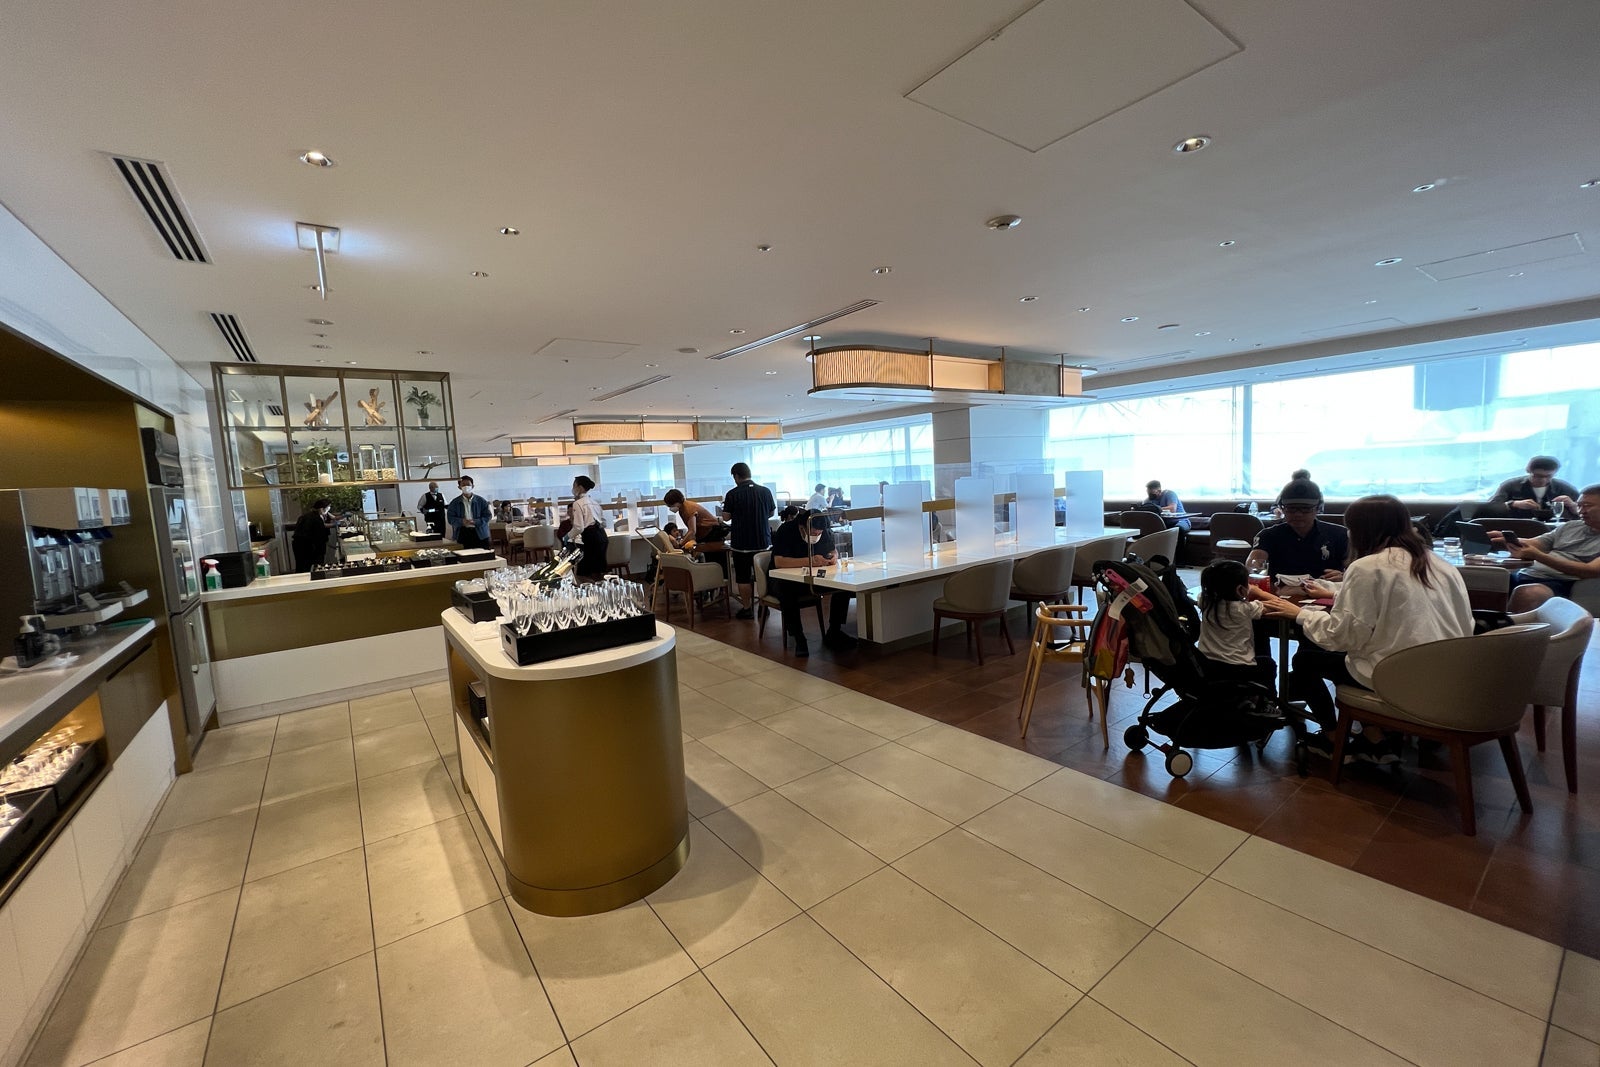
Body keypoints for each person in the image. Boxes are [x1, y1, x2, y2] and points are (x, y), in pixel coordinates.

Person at [1259, 494, 1472, 764]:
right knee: (1347, 657)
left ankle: (1333, 737)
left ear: (1361, 531)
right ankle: (1374, 737)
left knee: (1305, 661)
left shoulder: (1367, 567)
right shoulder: (1439, 564)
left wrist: (1299, 614)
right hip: (1449, 674)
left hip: (1399, 675)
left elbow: (1341, 636)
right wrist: (1336, 592)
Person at [1493, 483, 1600, 610]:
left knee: (1530, 594)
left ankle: (1506, 623)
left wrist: (1538, 556)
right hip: (1527, 573)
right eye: (1579, 505)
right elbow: (1537, 543)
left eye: (1587, 506)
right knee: (1483, 578)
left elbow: (1590, 570)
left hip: (1561, 582)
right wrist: (1507, 540)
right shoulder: (1570, 526)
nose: (1581, 511)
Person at [770, 510, 856, 655]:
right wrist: (810, 561)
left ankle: (834, 630)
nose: (816, 535)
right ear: (802, 527)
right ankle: (798, 637)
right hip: (782, 580)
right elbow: (779, 562)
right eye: (814, 533)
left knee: (842, 586)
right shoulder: (786, 530)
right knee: (787, 590)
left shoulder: (823, 531)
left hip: (813, 578)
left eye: (819, 533)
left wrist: (833, 557)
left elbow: (832, 550)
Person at [1247, 476, 1348, 581]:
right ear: (1281, 508)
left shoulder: (1339, 535)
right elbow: (1253, 568)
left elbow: (1355, 568)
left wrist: (1345, 575)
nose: (1298, 514)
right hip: (1279, 589)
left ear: (1318, 508)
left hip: (1327, 589)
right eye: (1291, 508)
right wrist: (1256, 572)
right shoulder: (1267, 536)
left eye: (1305, 508)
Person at [1195, 560, 1274, 687]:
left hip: (1207, 665)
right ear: (1240, 589)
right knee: (1268, 664)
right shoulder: (1245, 609)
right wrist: (1259, 592)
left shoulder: (1204, 601)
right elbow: (1280, 604)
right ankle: (1268, 697)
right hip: (1239, 669)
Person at [722, 462, 776, 619]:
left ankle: (747, 609)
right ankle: (764, 606)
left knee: (743, 577)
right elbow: (771, 512)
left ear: (736, 476)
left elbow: (726, 517)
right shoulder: (765, 491)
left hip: (741, 543)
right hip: (763, 542)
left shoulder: (732, 494)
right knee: (763, 576)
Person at [1483, 456, 1580, 521]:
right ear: (1528, 471)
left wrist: (1572, 505)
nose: (1543, 480)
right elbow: (1490, 508)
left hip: (1555, 530)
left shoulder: (1564, 488)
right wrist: (1513, 504)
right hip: (1519, 528)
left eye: (1548, 476)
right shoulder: (1511, 485)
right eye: (1538, 476)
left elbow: (1585, 513)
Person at [568, 475, 609, 579]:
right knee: (598, 571)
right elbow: (604, 522)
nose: (573, 488)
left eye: (574, 486)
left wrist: (568, 536)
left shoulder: (577, 503)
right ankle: (600, 587)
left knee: (586, 573)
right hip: (602, 536)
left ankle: (590, 588)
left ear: (580, 487)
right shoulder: (594, 502)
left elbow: (579, 527)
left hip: (591, 538)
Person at [446, 476, 491, 549]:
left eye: (468, 484)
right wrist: (462, 521)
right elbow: (450, 519)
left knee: (483, 554)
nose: (466, 487)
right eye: (463, 485)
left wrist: (476, 521)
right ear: (459, 487)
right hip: (463, 533)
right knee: (464, 554)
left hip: (480, 533)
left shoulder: (481, 501)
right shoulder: (454, 503)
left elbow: (488, 516)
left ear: (473, 486)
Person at [291, 498, 334, 572]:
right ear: (321, 508)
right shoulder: (314, 518)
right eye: (328, 507)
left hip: (301, 546)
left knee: (302, 567)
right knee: (312, 567)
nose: (329, 509)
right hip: (308, 547)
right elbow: (319, 531)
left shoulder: (309, 516)